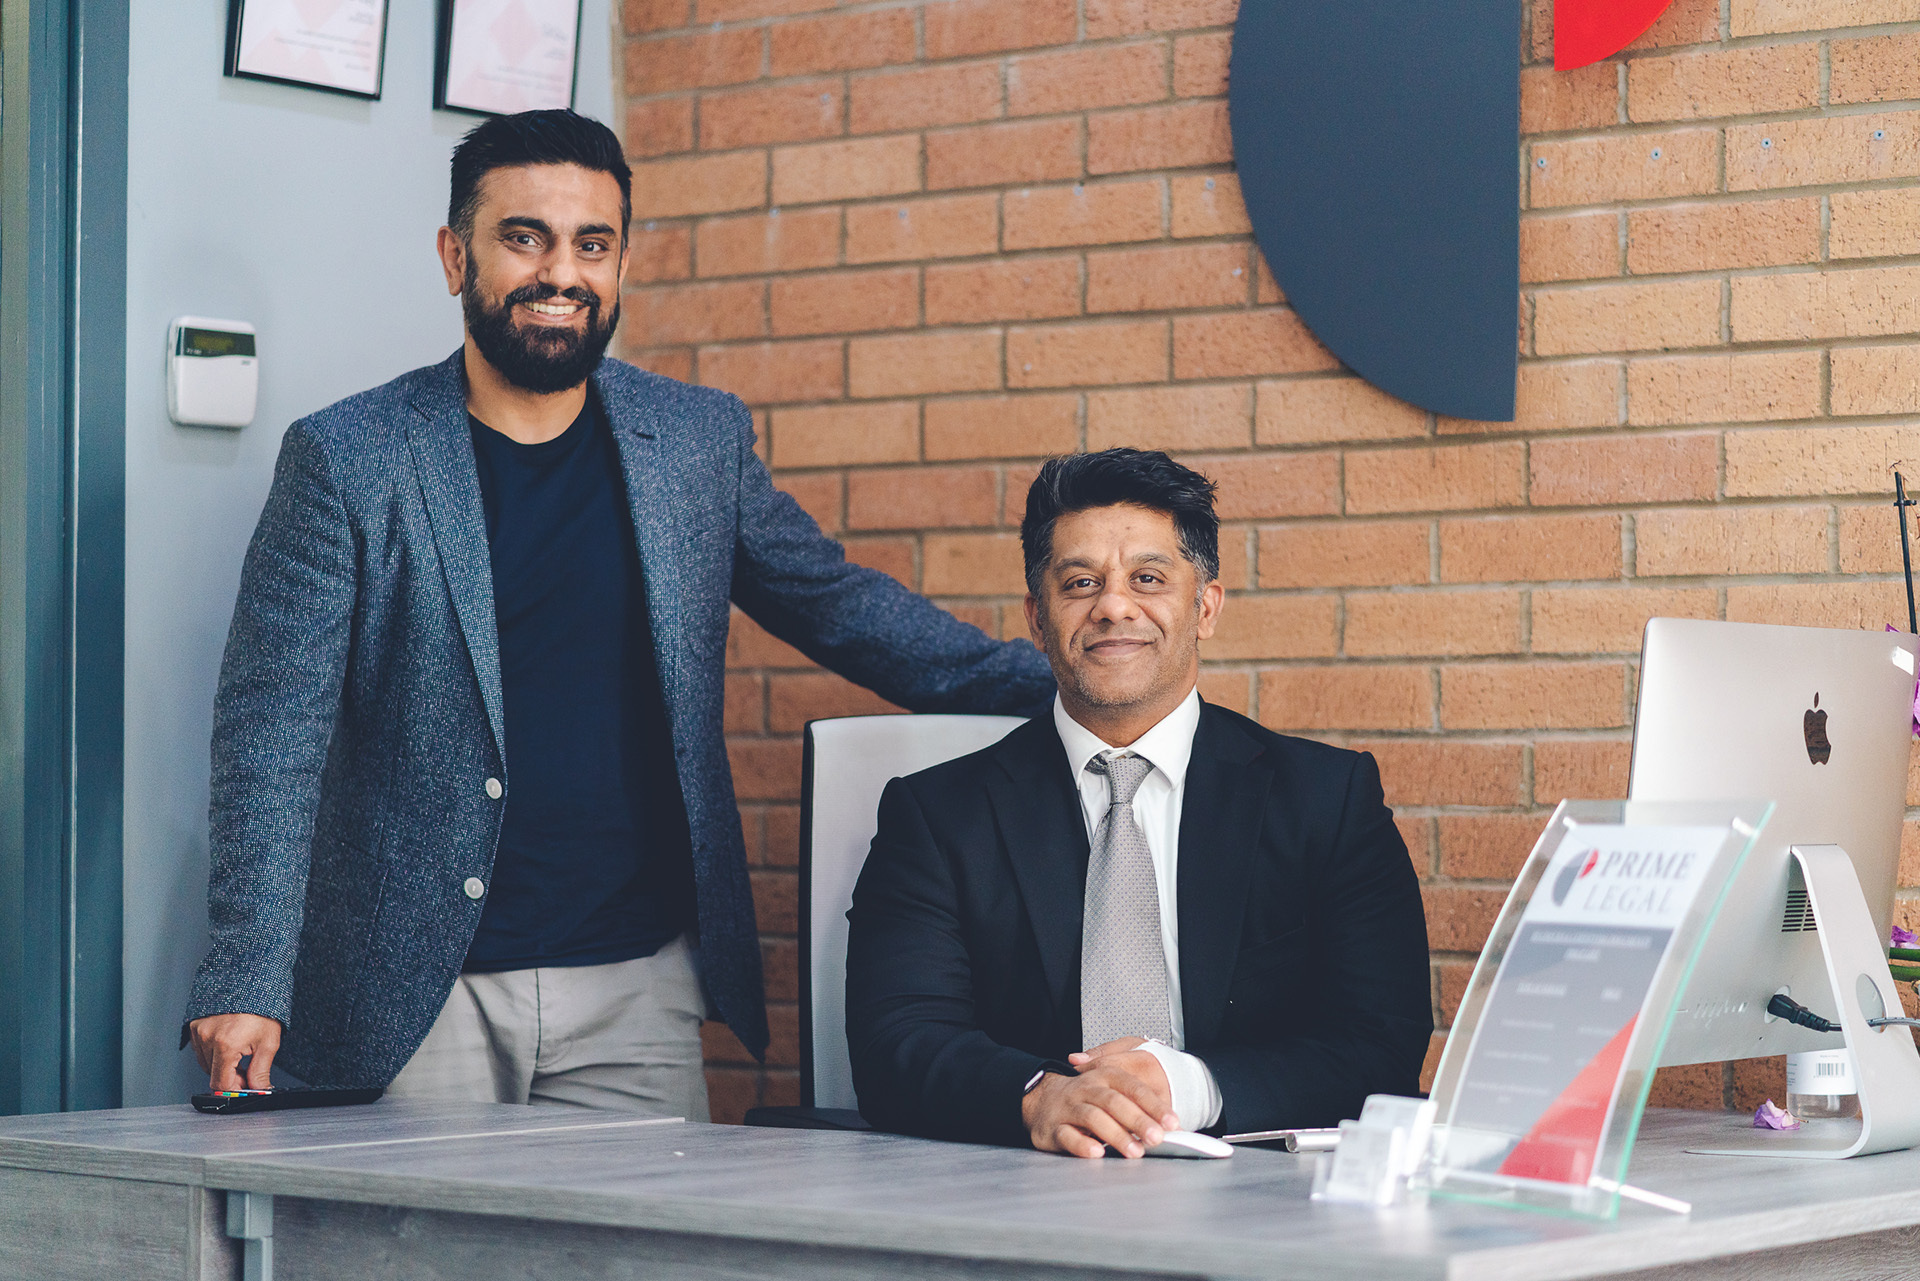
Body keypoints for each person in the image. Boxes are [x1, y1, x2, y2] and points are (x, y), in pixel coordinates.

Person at [183, 109, 1052, 1118]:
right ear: (454, 254)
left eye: (592, 244)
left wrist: (1067, 688)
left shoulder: (692, 441)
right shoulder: (349, 457)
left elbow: (840, 604)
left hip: (637, 988)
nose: (562, 271)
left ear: (623, 263)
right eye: (526, 237)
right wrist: (246, 973)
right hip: (415, 992)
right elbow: (269, 738)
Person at [845, 448, 1431, 1156]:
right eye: (1081, 582)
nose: (1113, 605)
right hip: (1023, 1195)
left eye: (1148, 578)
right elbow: (896, 1040)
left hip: (1263, 1202)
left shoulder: (1327, 800)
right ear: (1038, 616)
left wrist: (1185, 1088)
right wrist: (1037, 1094)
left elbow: (1381, 1044)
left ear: (1204, 606)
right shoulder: (937, 816)